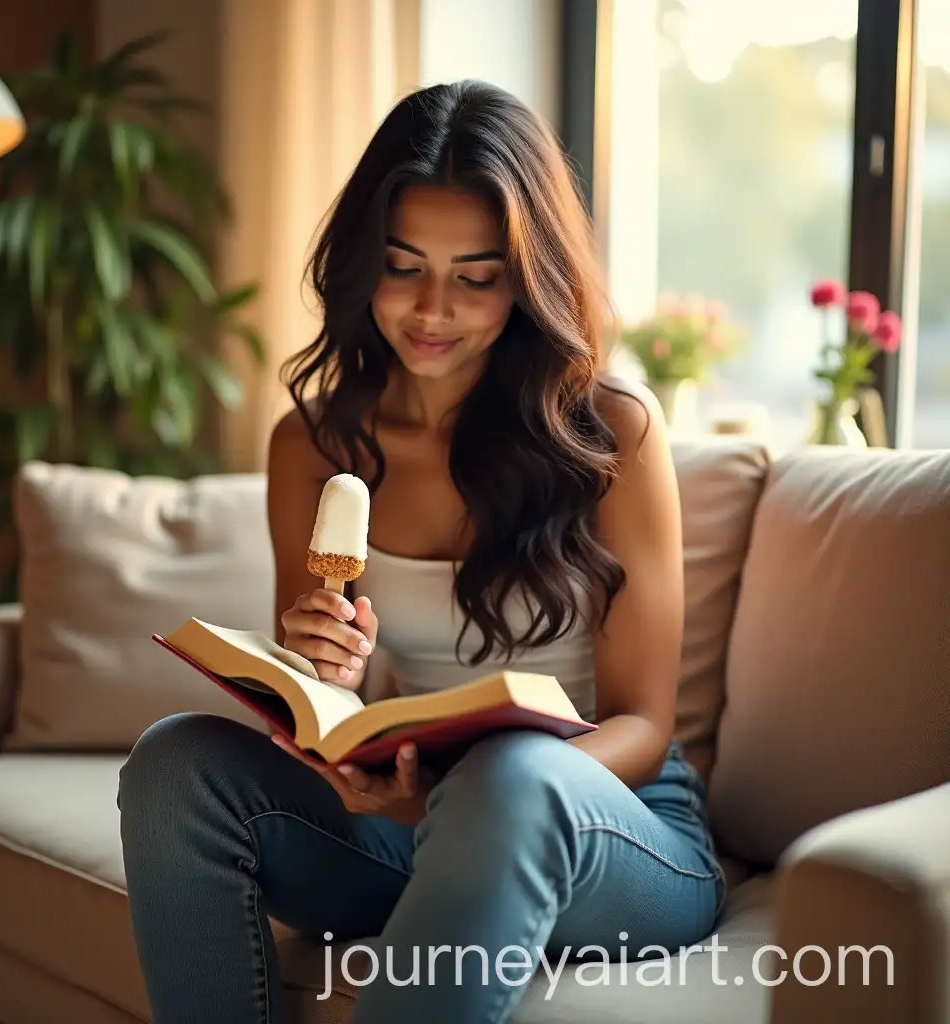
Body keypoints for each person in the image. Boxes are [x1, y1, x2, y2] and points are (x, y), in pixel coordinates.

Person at [118, 79, 727, 1023]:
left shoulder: (612, 434)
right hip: (407, 820)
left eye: (476, 277)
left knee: (512, 776)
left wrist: (460, 803)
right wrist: (329, 673)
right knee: (174, 767)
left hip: (609, 828)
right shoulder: (311, 447)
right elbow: (329, 711)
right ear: (364, 264)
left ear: (527, 282)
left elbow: (645, 727)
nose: (432, 309)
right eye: (404, 266)